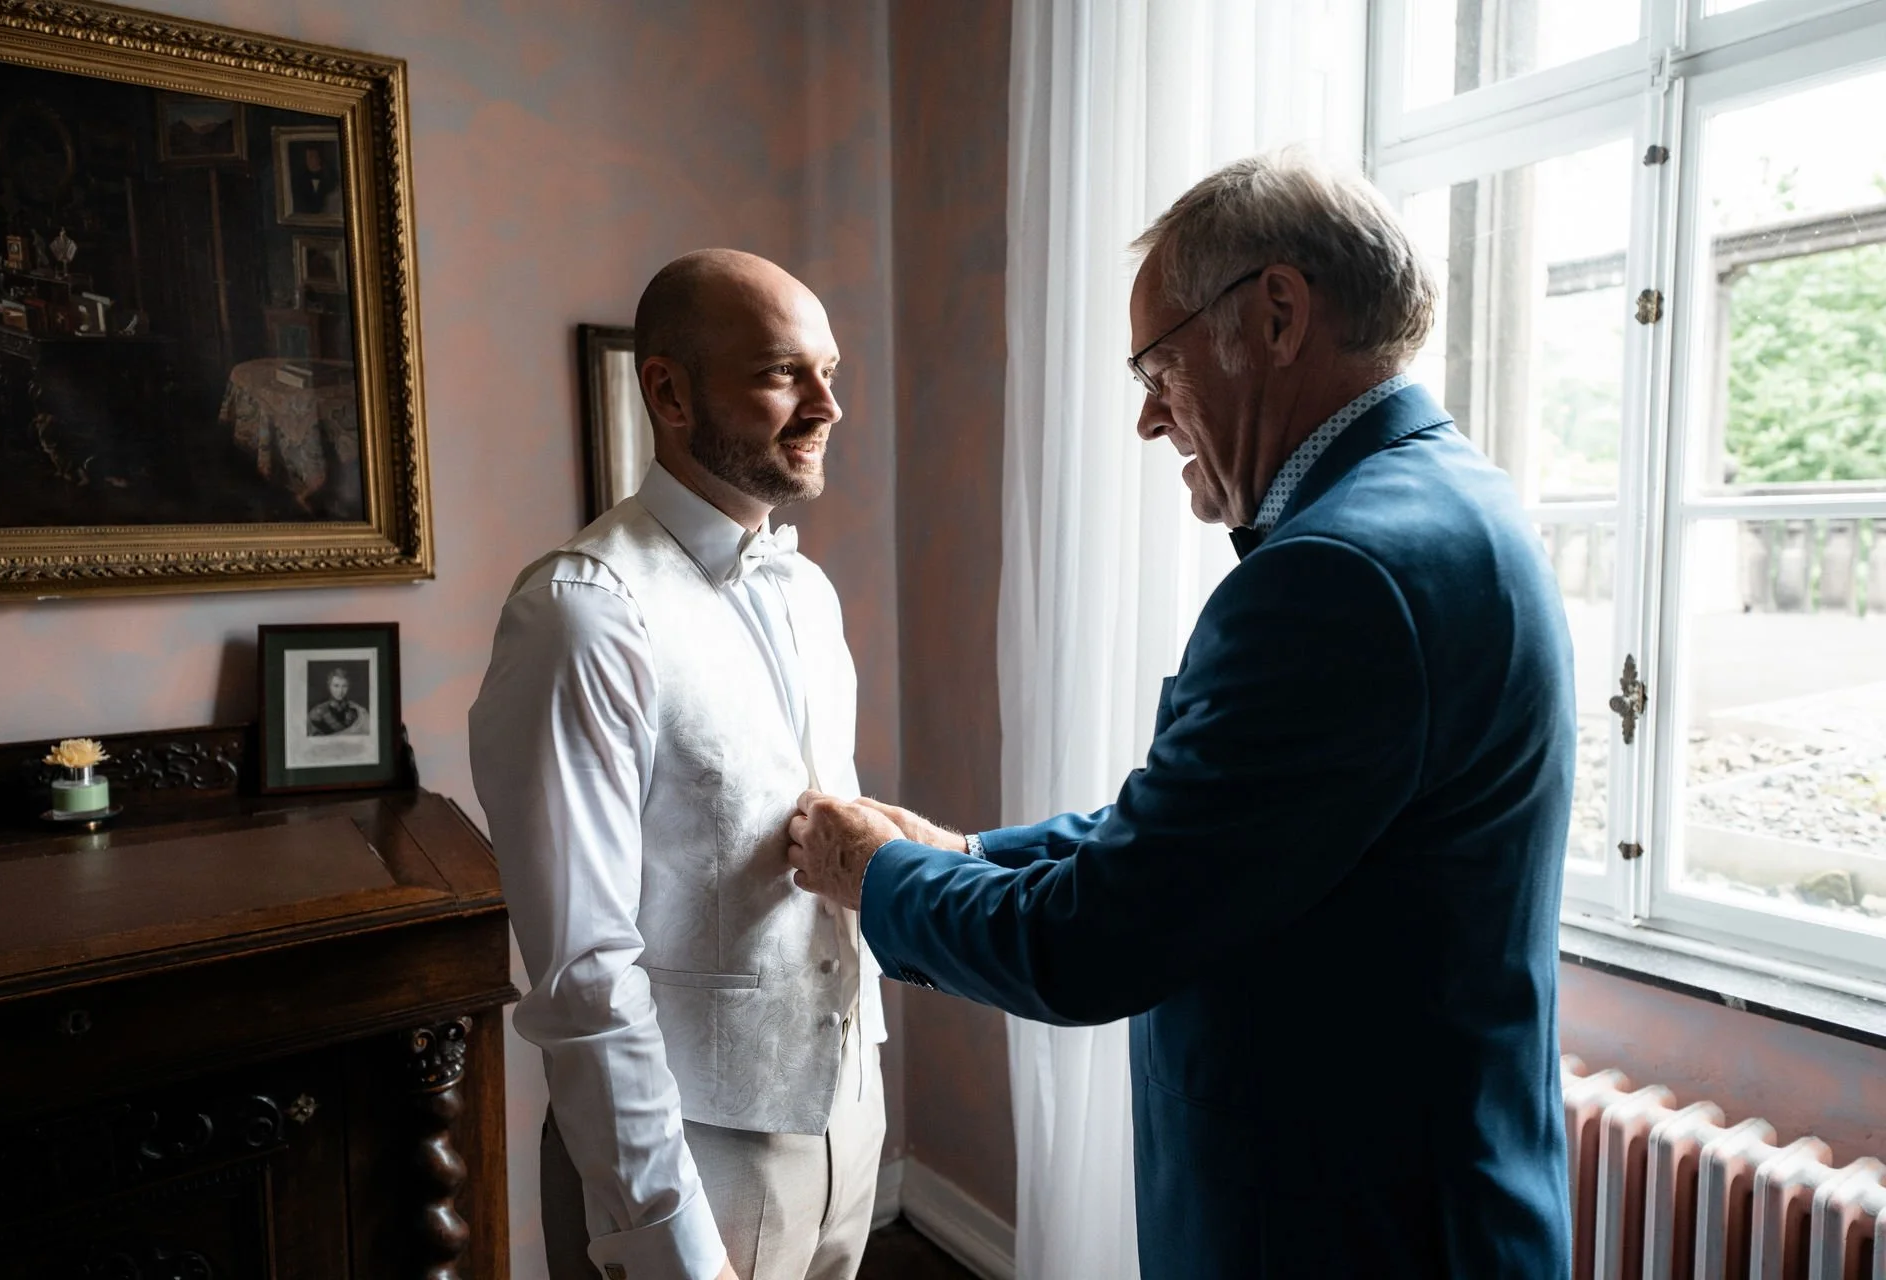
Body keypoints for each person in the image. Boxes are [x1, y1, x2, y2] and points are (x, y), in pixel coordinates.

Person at [787, 152, 1576, 1279]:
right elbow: (1201, 835)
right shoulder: (1455, 504)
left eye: (1157, 366)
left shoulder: (1339, 576)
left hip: (1346, 1228)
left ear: (1277, 313)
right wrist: (969, 852)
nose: (1153, 420)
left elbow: (1096, 939)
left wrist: (881, 877)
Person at [470, 249, 885, 1280]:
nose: (827, 403)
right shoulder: (582, 616)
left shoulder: (810, 592)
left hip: (842, 1122)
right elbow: (583, 976)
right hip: (688, 1162)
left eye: (830, 370)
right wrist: (670, 1236)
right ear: (668, 389)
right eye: (783, 373)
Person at [306, 666, 367, 736]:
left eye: (344, 686)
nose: (340, 691)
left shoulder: (356, 711)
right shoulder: (317, 713)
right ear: (329, 686)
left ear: (348, 687)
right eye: (336, 686)